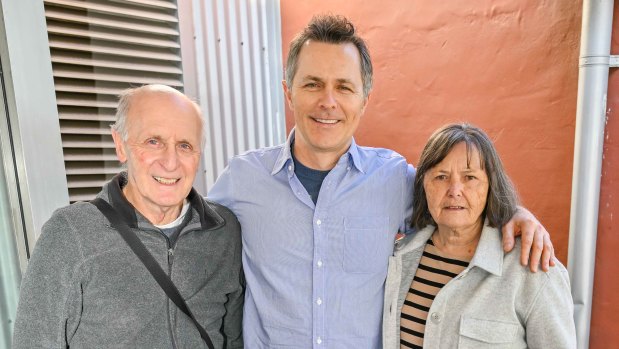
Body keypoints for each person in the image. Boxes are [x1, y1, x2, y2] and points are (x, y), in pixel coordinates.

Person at [208, 14, 555, 348]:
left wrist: (514, 213)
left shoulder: (394, 179)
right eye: (312, 84)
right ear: (289, 92)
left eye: (344, 87)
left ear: (364, 100)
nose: (328, 102)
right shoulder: (243, 180)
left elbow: (456, 198)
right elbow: (189, 235)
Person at [13, 85, 244, 348]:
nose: (170, 162)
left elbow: (234, 338)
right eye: (153, 142)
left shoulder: (224, 230)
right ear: (120, 145)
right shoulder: (71, 233)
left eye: (184, 145)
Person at [383, 123, 576, 348]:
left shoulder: (533, 271)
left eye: (469, 177)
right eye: (441, 177)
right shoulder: (399, 258)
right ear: (423, 184)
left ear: (490, 185)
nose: (454, 190)